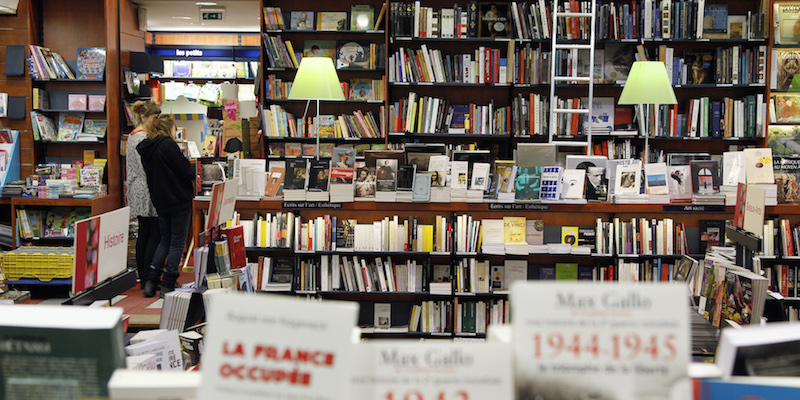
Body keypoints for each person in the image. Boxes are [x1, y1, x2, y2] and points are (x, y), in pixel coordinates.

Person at [137, 115, 196, 297]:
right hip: (178, 198)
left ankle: (151, 281)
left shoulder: (147, 147)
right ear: (169, 128)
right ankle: (168, 283)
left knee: (164, 240)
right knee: (177, 241)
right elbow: (185, 171)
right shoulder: (168, 145)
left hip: (160, 200)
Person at [126, 100, 161, 289]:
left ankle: (144, 275)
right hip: (147, 187)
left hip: (136, 186)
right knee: (153, 233)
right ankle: (149, 277)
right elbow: (147, 166)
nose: (157, 121)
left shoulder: (132, 136)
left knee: (144, 233)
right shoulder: (142, 139)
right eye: (155, 117)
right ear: (144, 117)